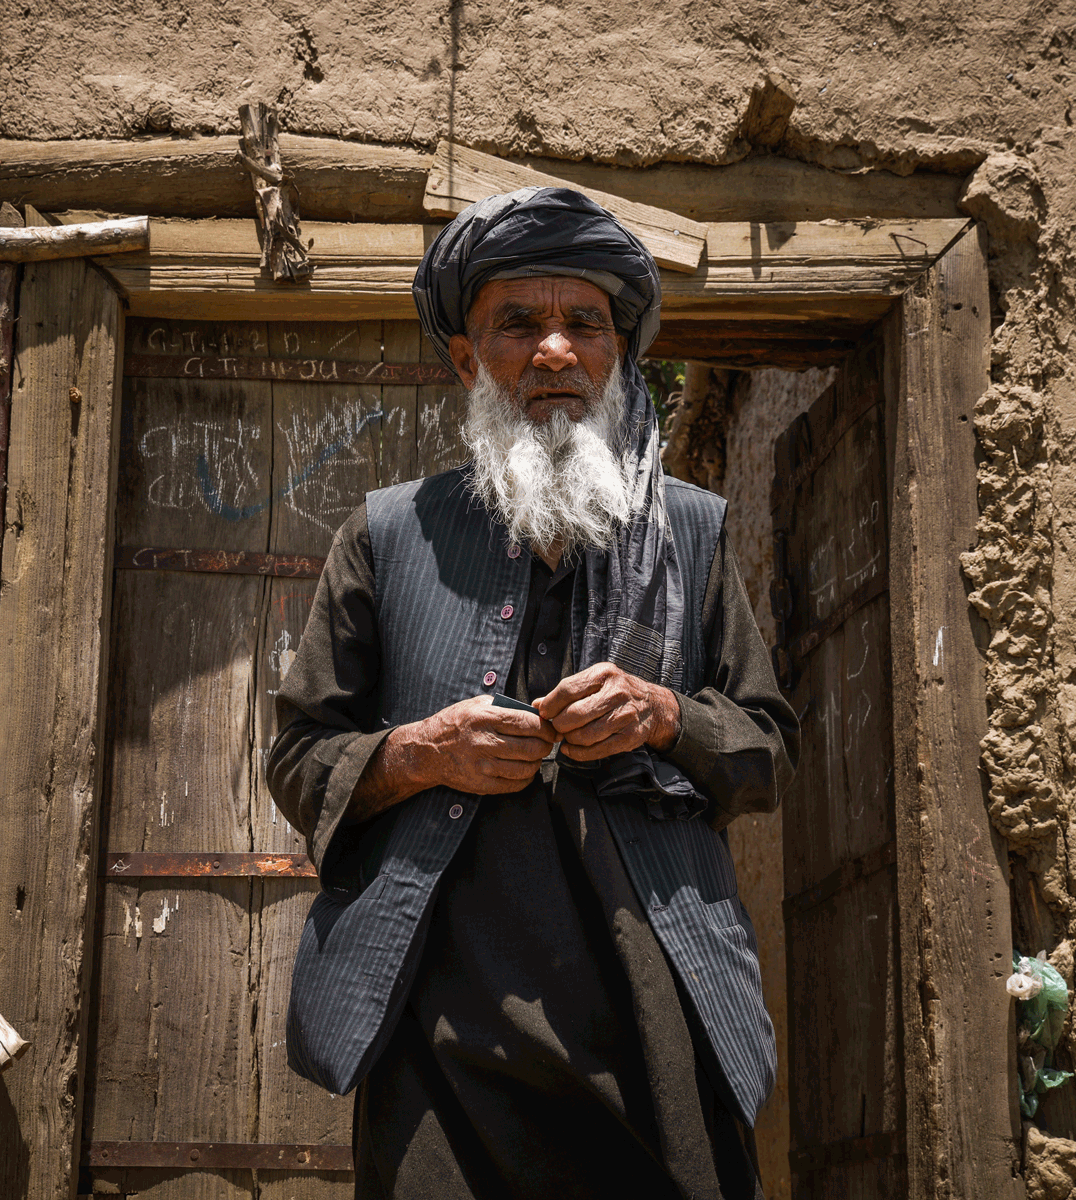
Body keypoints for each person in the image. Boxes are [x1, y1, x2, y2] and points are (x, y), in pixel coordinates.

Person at [266, 187, 799, 1200]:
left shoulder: (694, 534)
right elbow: (298, 758)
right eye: (518, 324)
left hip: (658, 1018)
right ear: (468, 359)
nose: (554, 351)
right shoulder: (386, 536)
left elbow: (766, 748)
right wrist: (419, 752)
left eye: (584, 325)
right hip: (446, 1036)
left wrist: (665, 714)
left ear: (618, 354)